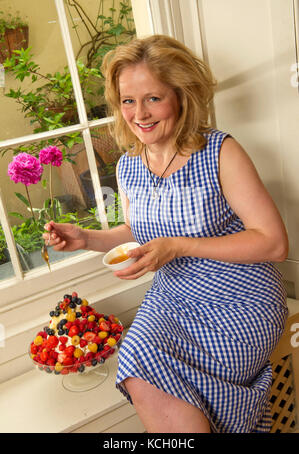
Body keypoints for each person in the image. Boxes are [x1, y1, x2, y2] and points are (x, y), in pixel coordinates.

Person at [44, 34, 289, 433]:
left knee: (183, 377)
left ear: (181, 97)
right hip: (173, 299)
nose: (139, 113)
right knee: (137, 360)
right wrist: (86, 238)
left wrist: (179, 246)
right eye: (128, 100)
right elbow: (135, 230)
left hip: (240, 299)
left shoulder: (220, 152)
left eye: (153, 98)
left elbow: (275, 243)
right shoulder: (129, 166)